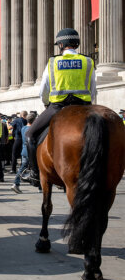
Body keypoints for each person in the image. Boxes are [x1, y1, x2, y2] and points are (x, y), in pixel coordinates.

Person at [26, 28, 96, 184]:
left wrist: (46, 103)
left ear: (61, 44)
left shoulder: (53, 62)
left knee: (30, 135)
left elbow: (43, 90)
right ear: (76, 43)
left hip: (58, 107)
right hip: (84, 106)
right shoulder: (88, 61)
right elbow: (93, 89)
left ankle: (34, 173)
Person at [12, 113, 37, 193]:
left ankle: (16, 184)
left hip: (24, 150)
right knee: (37, 168)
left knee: (23, 167)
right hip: (31, 151)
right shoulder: (33, 129)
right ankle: (40, 186)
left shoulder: (23, 128)